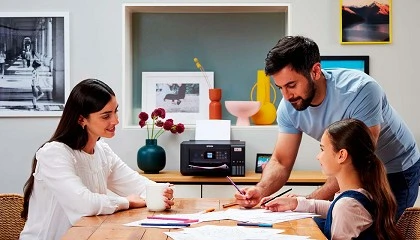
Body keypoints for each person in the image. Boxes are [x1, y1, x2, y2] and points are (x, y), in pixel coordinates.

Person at [235, 36, 420, 219]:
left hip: (396, 168)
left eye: (291, 85)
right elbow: (281, 161)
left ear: (315, 71)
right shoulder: (288, 107)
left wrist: (305, 202)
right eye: (280, 88)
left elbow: (356, 160)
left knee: (382, 231)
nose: (287, 95)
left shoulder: (360, 91)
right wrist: (260, 190)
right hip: (350, 172)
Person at [20, 79, 175, 240]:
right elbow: (83, 204)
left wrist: (162, 192)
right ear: (81, 119)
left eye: (115, 111)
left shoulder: (102, 151)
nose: (115, 120)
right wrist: (126, 202)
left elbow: (137, 185)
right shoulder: (54, 153)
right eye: (106, 116)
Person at [261, 119, 402, 240]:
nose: (318, 156)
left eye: (322, 149)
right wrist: (294, 203)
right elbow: (333, 208)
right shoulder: (359, 196)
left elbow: (341, 210)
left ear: (341, 155)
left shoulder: (347, 206)